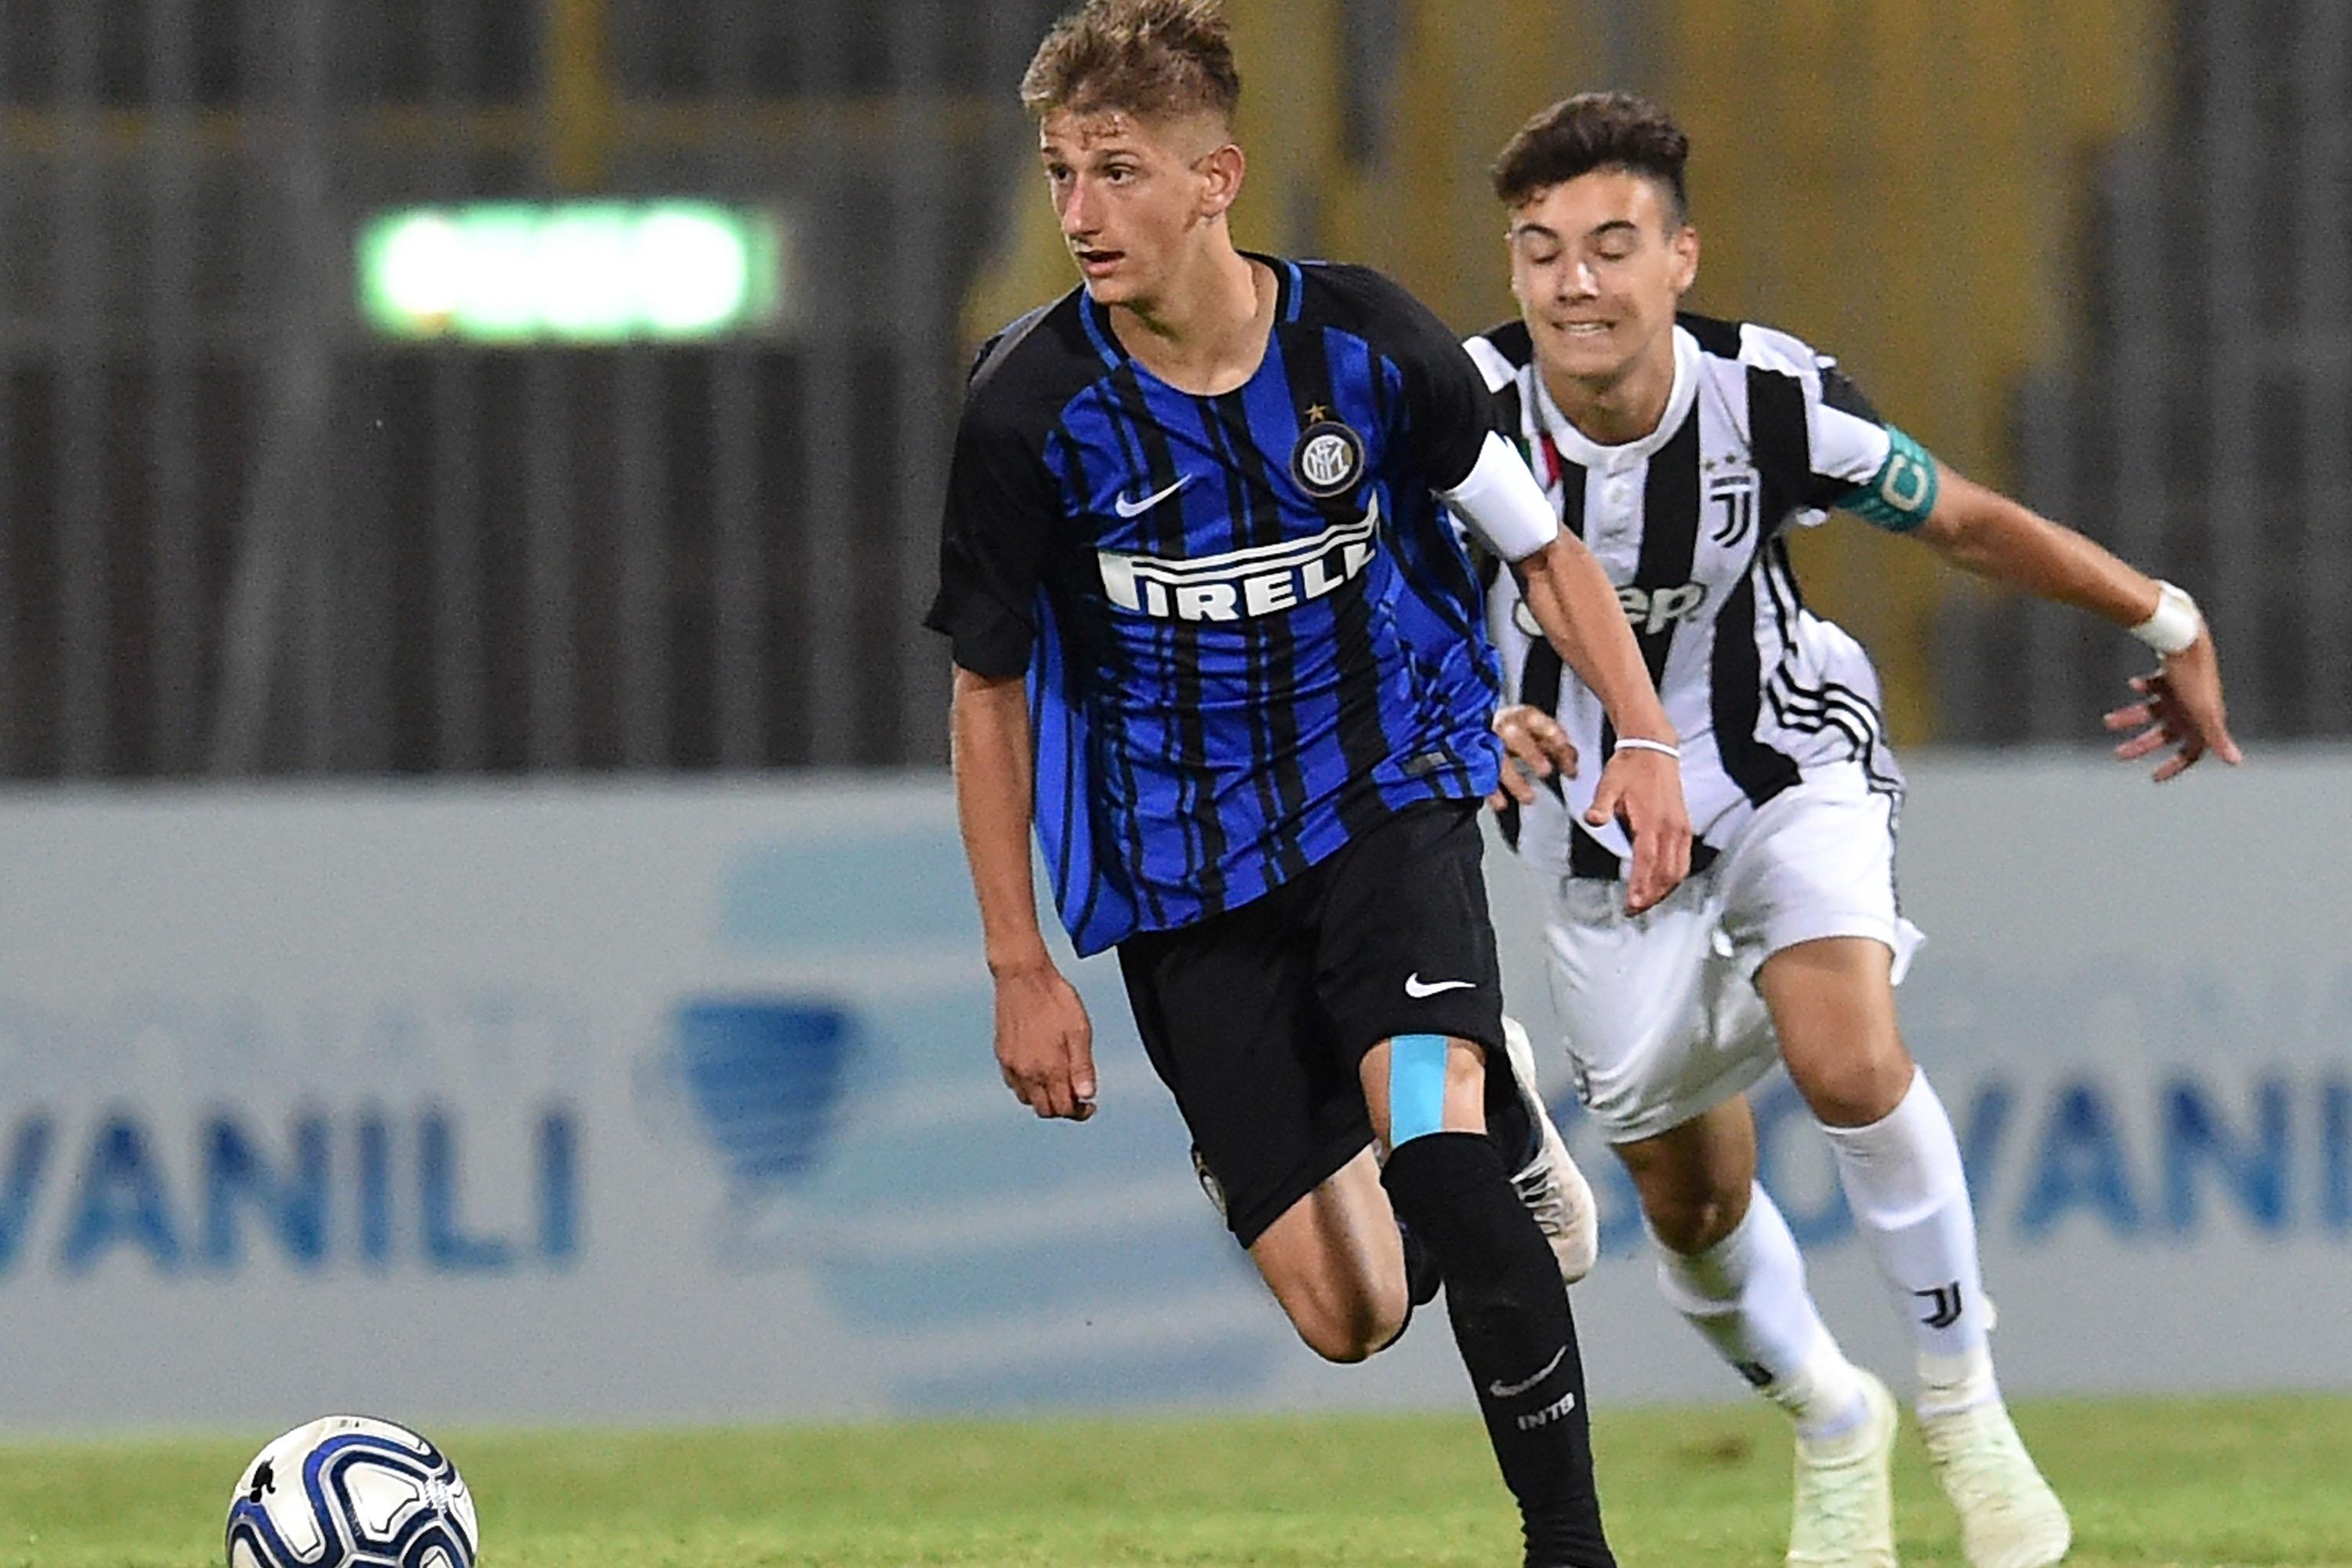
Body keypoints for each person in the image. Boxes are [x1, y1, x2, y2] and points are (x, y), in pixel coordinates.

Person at [923, 6, 1693, 1564]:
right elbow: (988, 688)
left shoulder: (1367, 345)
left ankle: (1571, 1542)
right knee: (1353, 1314)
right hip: (1178, 873)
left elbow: (1540, 547)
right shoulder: (1029, 411)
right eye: (1062, 170)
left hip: (1385, 799)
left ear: (1218, 179)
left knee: (1434, 1140)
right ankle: (1477, 1117)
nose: (1077, 211)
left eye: (1117, 171)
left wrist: (1646, 737)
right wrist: (1019, 962)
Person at [1462, 93, 2239, 1568]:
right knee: (1687, 1203)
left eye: (1613, 245)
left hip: (1784, 762)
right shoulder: (1461, 417)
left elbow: (1953, 517)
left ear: (1681, 259)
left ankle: (1966, 1411)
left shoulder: (1769, 400)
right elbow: (1377, 605)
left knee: (1847, 1052)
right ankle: (1834, 1414)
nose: (1577, 282)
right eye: (1543, 249)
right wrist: (1472, 711)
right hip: (1596, 832)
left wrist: (2164, 611)